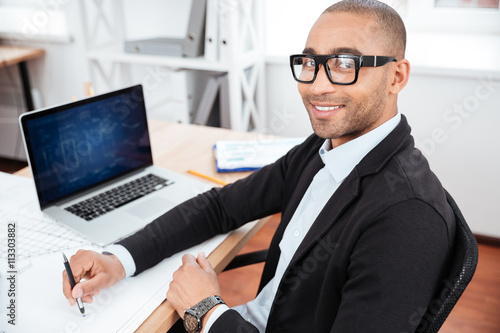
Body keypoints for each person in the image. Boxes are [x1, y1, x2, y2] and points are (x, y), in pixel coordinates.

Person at [63, 1, 456, 332]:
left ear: (396, 77)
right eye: (310, 62)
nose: (317, 86)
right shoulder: (324, 148)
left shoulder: (408, 217)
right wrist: (117, 259)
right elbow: (222, 207)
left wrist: (207, 311)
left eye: (344, 63)